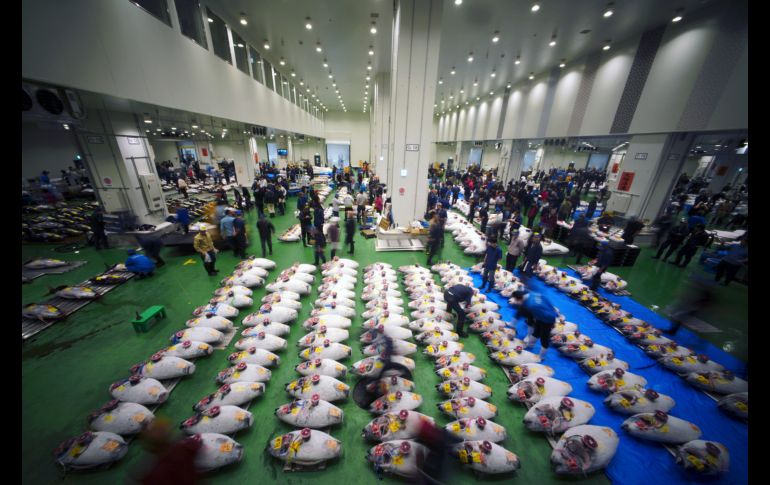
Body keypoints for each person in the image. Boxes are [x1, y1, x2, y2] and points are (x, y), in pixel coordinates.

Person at [510, 289, 559, 359]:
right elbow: (547, 301)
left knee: (544, 338)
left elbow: (521, 313)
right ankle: (530, 345)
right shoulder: (533, 294)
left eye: (516, 300)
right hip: (546, 314)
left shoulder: (530, 305)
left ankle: (542, 356)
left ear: (520, 298)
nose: (517, 302)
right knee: (536, 331)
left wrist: (552, 322)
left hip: (547, 319)